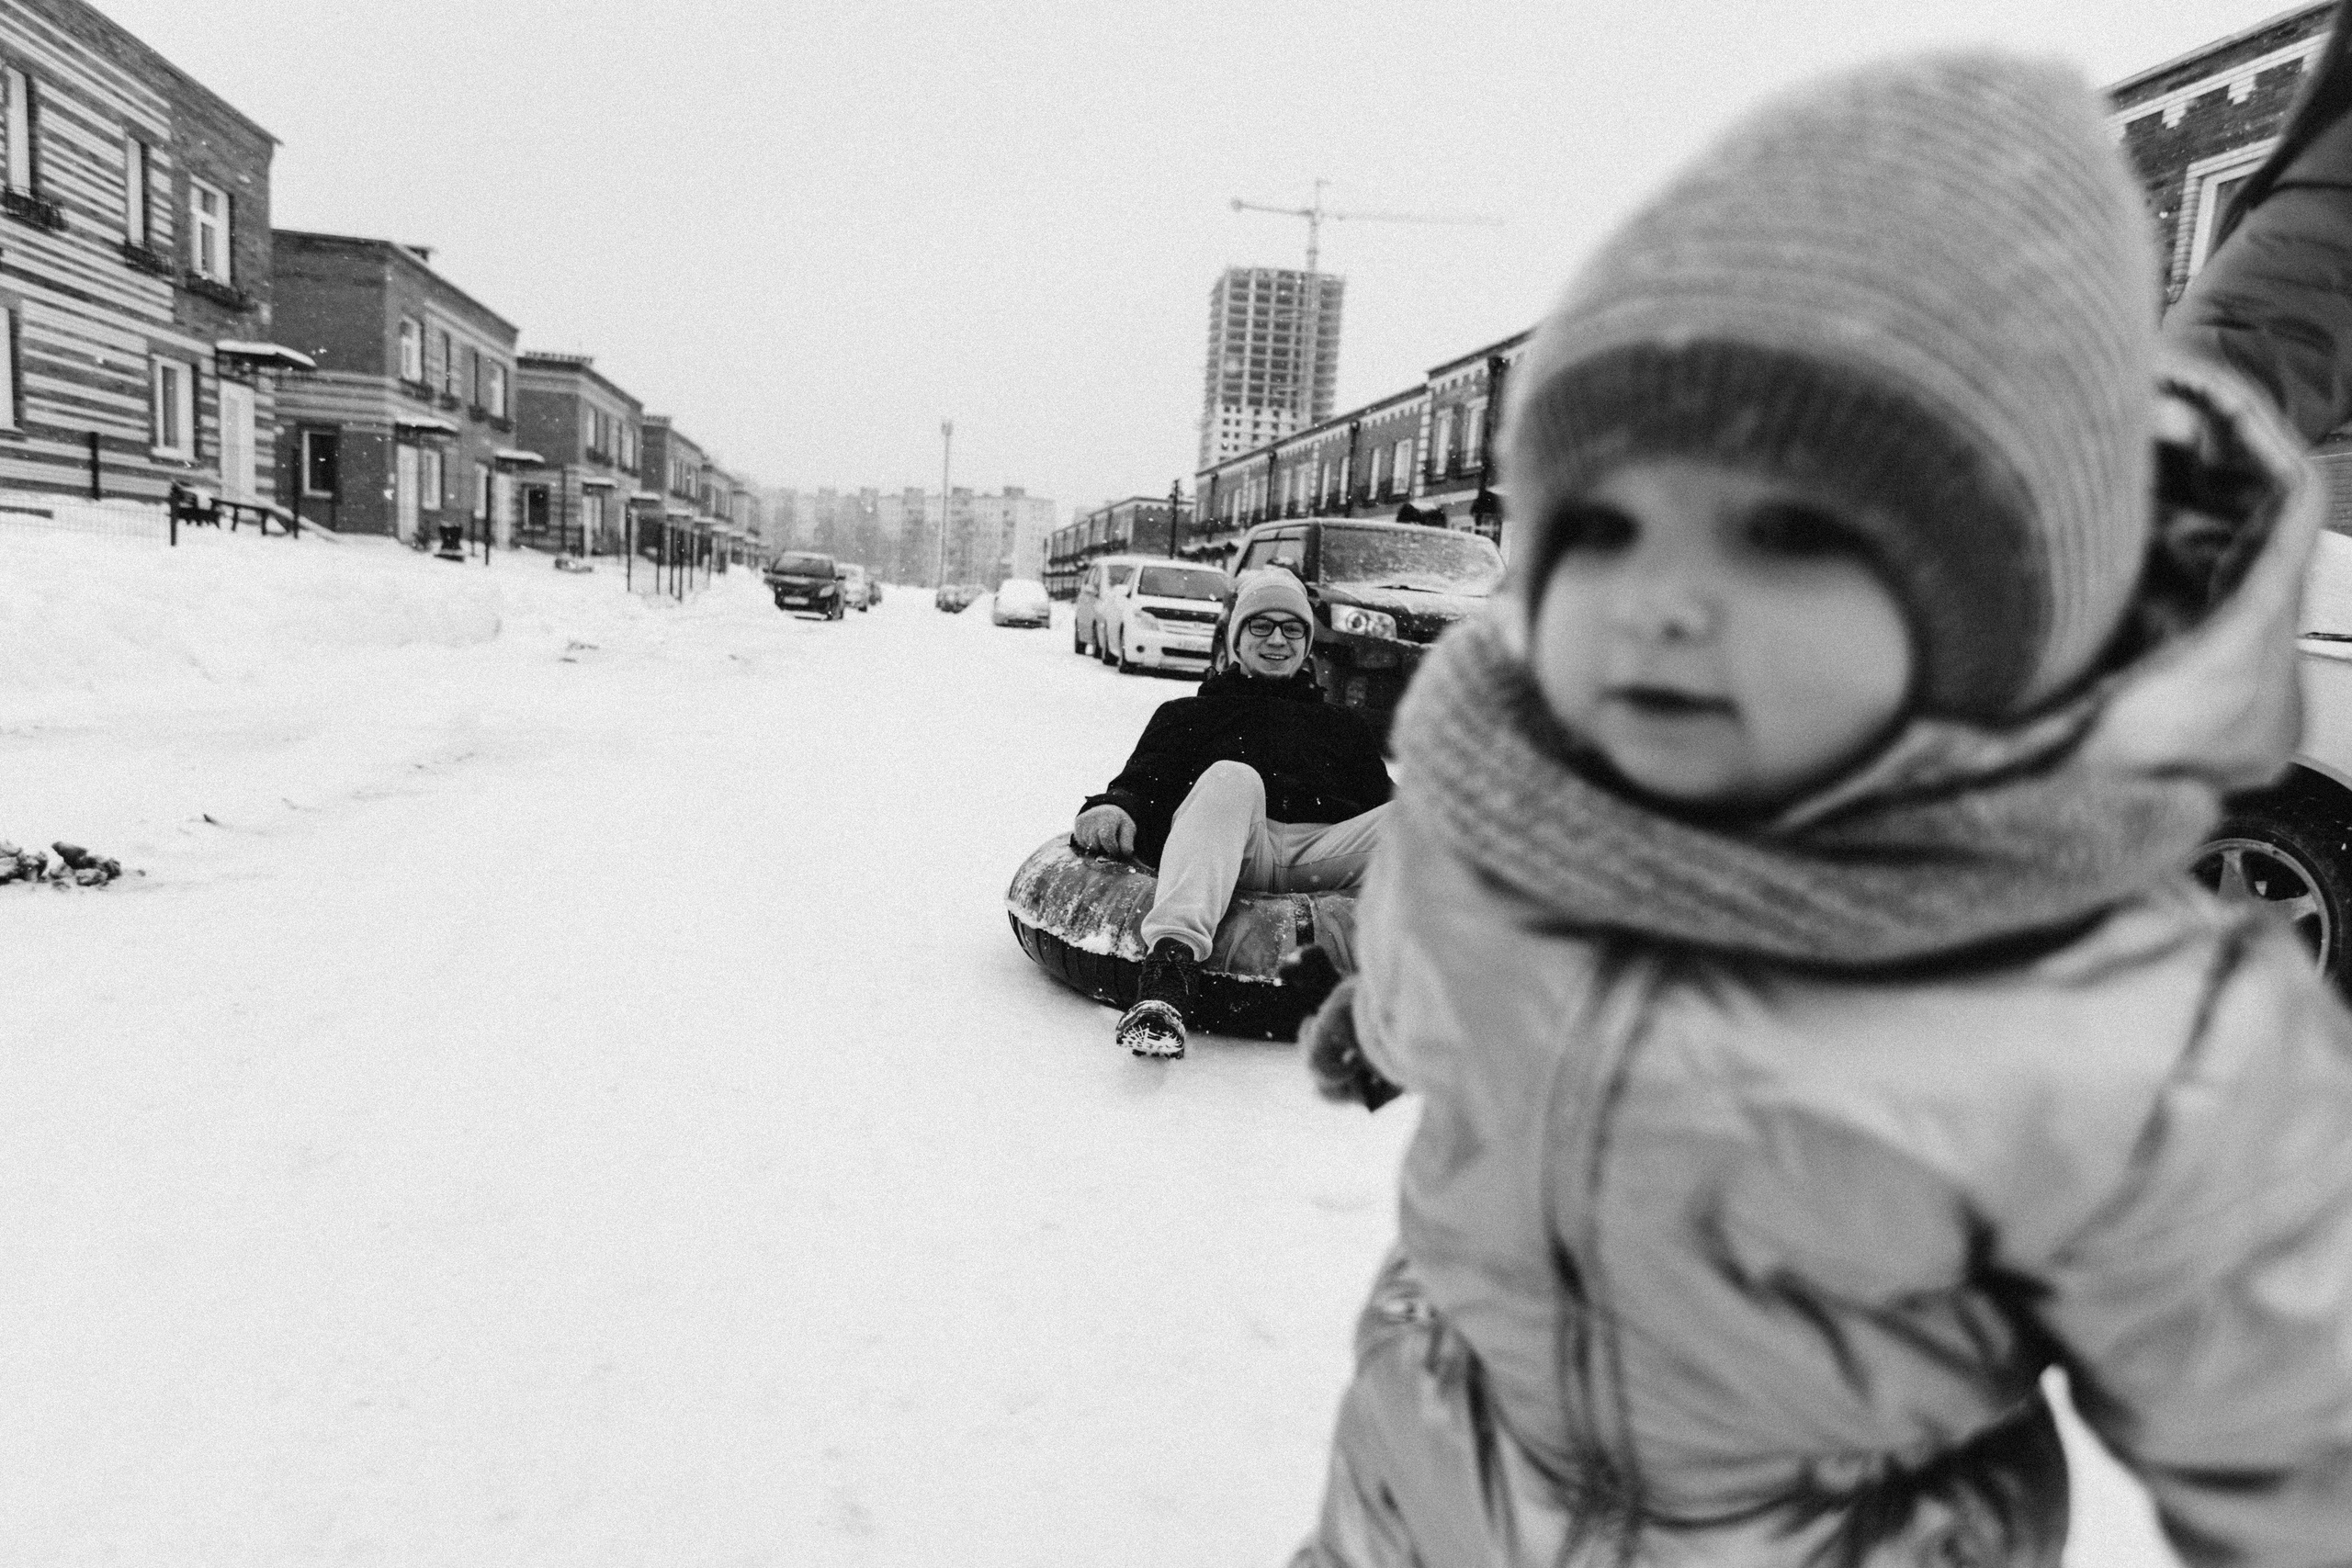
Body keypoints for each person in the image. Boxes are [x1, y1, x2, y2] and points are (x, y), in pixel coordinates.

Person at [1289, 52, 2352, 1566]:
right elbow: (1427, 970)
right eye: (1606, 526)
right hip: (1432, 1470)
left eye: (1784, 539)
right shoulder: (1487, 822)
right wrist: (1384, 1030)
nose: (1663, 601)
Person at [1071, 568, 1390, 1060]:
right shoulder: (1188, 715)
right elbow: (1142, 781)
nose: (1277, 640)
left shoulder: (1343, 726)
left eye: (1292, 629)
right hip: (1233, 849)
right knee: (1231, 776)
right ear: (1236, 639)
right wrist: (1114, 807)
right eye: (1261, 626)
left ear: (1307, 643)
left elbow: (1384, 803)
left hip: (1323, 854)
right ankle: (1169, 976)